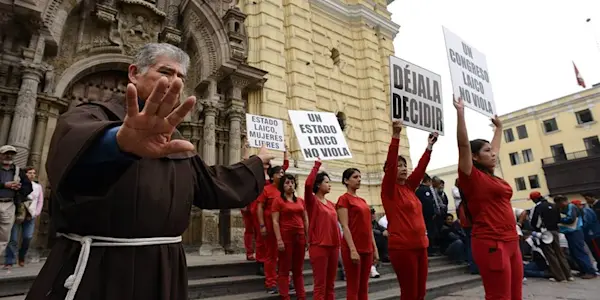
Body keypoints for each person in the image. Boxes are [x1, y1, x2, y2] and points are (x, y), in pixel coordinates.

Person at [25, 43, 275, 300]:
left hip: (162, 269)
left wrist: (255, 163)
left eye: (181, 76)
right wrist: (119, 144)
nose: (174, 82)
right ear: (134, 73)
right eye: (166, 72)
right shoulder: (89, 115)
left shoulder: (175, 139)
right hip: (100, 270)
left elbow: (211, 185)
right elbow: (74, 160)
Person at [454, 96, 523, 300]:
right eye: (487, 151)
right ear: (475, 157)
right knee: (499, 296)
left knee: (515, 295)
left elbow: (495, 148)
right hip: (492, 242)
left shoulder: (493, 177)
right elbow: (463, 146)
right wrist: (460, 113)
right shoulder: (471, 177)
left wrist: (499, 128)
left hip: (511, 241)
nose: (493, 154)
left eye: (492, 151)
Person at [381, 120, 437, 300]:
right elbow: (390, 164)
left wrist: (429, 146)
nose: (403, 168)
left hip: (421, 245)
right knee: (409, 293)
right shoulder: (389, 190)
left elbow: (420, 169)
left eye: (404, 165)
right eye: (399, 166)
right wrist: (396, 136)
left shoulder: (409, 188)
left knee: (420, 292)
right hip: (403, 248)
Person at [337, 168, 378, 300]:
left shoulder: (363, 201)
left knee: (364, 287)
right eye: (355, 177)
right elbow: (345, 225)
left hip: (367, 248)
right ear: (346, 181)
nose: (359, 179)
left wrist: (375, 248)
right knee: (353, 288)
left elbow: (369, 227)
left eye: (360, 177)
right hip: (353, 248)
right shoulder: (344, 199)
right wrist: (352, 250)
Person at [304, 158, 340, 300]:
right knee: (320, 284)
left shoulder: (331, 204)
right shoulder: (312, 202)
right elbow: (307, 186)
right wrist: (316, 166)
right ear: (318, 185)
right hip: (319, 245)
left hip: (334, 246)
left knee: (331, 284)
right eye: (326, 182)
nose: (329, 185)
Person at [272, 174, 307, 300]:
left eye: (292, 182)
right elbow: (275, 221)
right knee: (284, 269)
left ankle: (301, 296)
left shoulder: (300, 201)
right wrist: (279, 240)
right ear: (282, 186)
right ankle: (285, 296)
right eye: (287, 183)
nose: (290, 185)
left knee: (298, 269)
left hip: (300, 236)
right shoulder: (278, 201)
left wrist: (307, 237)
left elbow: (305, 219)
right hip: (286, 236)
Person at [4, 167, 44, 269]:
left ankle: (21, 256)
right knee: (13, 238)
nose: (31, 175)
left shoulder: (38, 187)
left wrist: (36, 213)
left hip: (30, 215)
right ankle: (10, 260)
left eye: (33, 173)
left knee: (27, 237)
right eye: (29, 173)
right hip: (18, 213)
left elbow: (40, 201)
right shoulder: (19, 184)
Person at [528, 191, 573, 282]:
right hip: (555, 231)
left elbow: (534, 221)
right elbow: (558, 219)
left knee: (550, 255)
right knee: (559, 253)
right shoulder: (554, 205)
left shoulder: (537, 207)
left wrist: (537, 230)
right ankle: (568, 275)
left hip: (545, 233)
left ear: (535, 199)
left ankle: (560, 277)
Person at [257, 164, 286, 293]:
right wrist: (262, 225)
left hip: (285, 228)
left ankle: (285, 281)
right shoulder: (267, 190)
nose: (282, 175)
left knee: (284, 256)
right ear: (272, 176)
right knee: (271, 256)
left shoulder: (286, 190)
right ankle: (271, 283)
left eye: (283, 172)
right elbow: (259, 208)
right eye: (279, 173)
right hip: (270, 228)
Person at [0, 145, 33, 256]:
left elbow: (28, 187)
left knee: (4, 235)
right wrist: (4, 185)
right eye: (6, 153)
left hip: (8, 204)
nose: (9, 156)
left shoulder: (18, 171)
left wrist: (19, 189)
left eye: (11, 154)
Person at [555, 196, 597, 279]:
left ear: (562, 201)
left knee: (579, 252)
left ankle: (590, 271)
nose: (558, 206)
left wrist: (559, 220)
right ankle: (583, 270)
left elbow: (571, 219)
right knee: (574, 253)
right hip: (570, 232)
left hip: (575, 232)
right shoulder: (565, 208)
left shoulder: (571, 207)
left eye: (558, 203)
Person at [570, 199, 600, 271]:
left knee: (597, 251)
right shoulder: (583, 211)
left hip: (593, 234)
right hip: (590, 235)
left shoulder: (586, 211)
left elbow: (586, 223)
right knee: (594, 251)